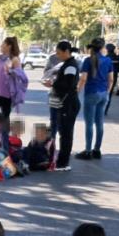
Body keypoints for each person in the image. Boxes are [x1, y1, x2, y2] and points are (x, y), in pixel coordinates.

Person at [43, 41, 80, 171]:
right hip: (65, 103)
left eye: (59, 53)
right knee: (64, 133)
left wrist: (53, 84)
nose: (57, 56)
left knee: (66, 134)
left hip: (68, 103)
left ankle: (63, 162)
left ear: (66, 52)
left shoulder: (70, 66)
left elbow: (68, 85)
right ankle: (62, 161)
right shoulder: (67, 64)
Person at [76, 38, 113, 160]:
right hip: (103, 93)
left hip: (91, 93)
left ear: (92, 48)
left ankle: (87, 151)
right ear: (102, 48)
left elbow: (84, 78)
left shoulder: (88, 60)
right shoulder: (108, 60)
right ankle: (97, 150)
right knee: (99, 123)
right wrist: (107, 91)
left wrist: (77, 90)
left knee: (89, 124)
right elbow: (111, 79)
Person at [0, 37, 24, 122]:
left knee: (4, 117)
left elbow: (20, 76)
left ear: (9, 46)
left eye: (3, 44)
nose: (0, 46)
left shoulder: (14, 59)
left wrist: (10, 71)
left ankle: (4, 135)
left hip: (7, 93)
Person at [104, 43, 119, 116]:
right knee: (109, 94)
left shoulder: (105, 58)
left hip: (104, 78)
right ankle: (105, 109)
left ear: (107, 50)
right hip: (113, 78)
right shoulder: (118, 58)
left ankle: (101, 108)